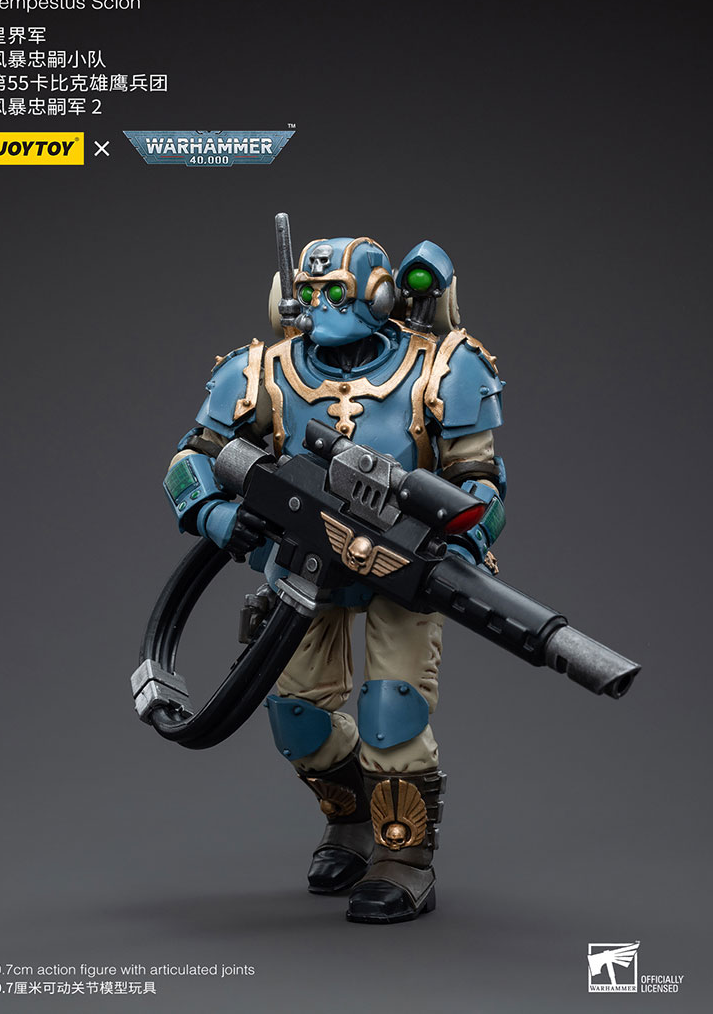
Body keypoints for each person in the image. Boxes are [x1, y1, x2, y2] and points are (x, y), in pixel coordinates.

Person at [164, 233, 506, 923]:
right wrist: (217, 515)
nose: (320, 305)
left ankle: (403, 856)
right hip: (301, 567)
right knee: (296, 718)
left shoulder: (441, 368)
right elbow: (191, 459)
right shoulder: (260, 372)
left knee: (392, 713)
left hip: (402, 567)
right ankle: (350, 821)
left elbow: (481, 480)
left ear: (381, 293)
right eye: (310, 292)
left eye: (337, 292)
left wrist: (462, 542)